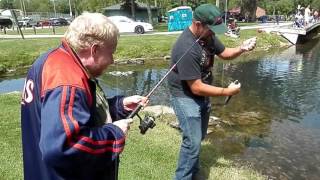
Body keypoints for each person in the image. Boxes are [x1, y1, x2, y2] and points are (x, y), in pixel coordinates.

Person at [21, 13, 147, 180]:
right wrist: (114, 133)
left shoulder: (52, 59)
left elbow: (76, 114)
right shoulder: (68, 79)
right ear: (94, 50)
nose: (112, 60)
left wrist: (119, 106)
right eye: (111, 52)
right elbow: (64, 146)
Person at [167, 4, 256, 180]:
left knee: (198, 136)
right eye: (211, 29)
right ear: (198, 24)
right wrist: (226, 91)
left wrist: (241, 48)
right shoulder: (185, 47)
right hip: (184, 94)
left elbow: (225, 53)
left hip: (203, 92)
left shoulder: (207, 36)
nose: (214, 33)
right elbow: (196, 87)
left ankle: (193, 170)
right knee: (192, 143)